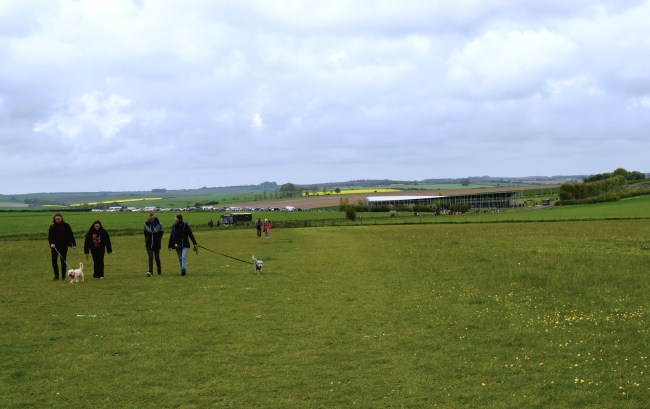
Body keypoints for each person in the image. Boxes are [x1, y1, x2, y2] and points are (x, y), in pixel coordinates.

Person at [47, 213, 76, 281]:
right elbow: (50, 237)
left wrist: (73, 244)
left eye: (59, 219)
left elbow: (71, 235)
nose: (58, 220)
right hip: (55, 247)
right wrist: (51, 243)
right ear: (54, 220)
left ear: (61, 218)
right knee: (54, 261)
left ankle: (63, 276)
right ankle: (56, 276)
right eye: (56, 219)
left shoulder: (66, 225)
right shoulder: (52, 226)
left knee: (63, 260)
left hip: (64, 246)